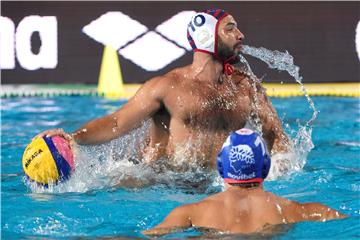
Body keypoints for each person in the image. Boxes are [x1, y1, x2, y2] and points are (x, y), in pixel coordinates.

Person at [35, 9, 290, 169]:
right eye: (230, 29)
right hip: (166, 186)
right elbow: (116, 123)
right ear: (206, 38)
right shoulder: (168, 87)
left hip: (220, 188)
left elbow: (276, 136)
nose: (241, 35)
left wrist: (276, 171)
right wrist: (73, 137)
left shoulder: (246, 87)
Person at [142, 128, 347, 236]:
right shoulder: (294, 211)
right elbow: (343, 220)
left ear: (221, 167)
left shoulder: (189, 214)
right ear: (266, 168)